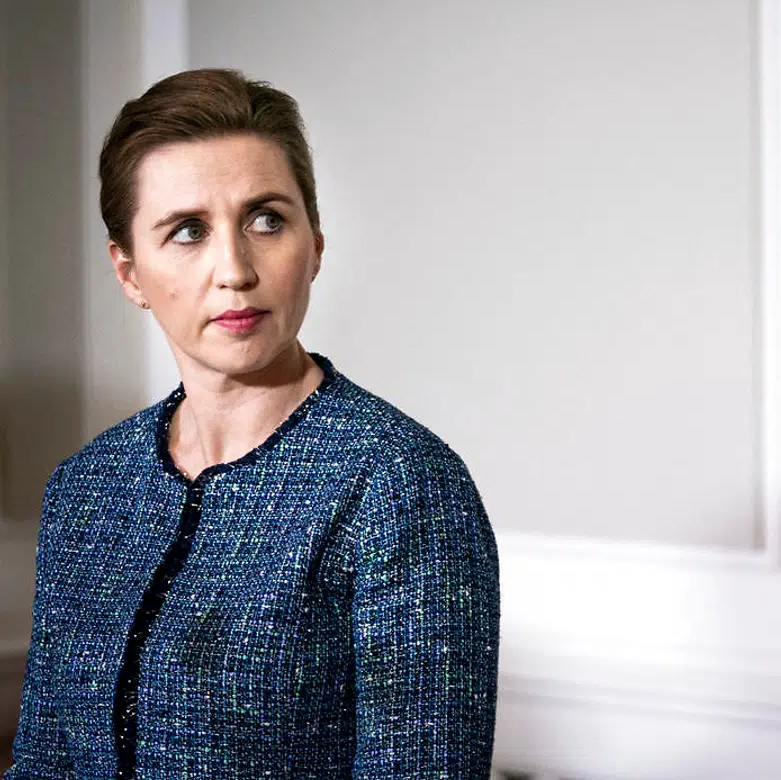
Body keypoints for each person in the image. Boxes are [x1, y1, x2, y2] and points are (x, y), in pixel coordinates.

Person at [7, 69, 501, 779]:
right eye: (187, 231)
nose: (234, 269)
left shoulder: (400, 487)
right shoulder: (87, 488)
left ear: (316, 244)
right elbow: (45, 762)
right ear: (129, 272)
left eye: (267, 219)